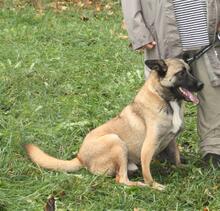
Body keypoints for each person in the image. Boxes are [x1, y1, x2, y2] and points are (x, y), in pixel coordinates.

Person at [121, 0, 220, 167]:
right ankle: (163, 148)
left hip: (205, 27)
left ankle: (214, 148)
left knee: (212, 89)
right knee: (162, 93)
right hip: (162, 29)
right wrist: (139, 31)